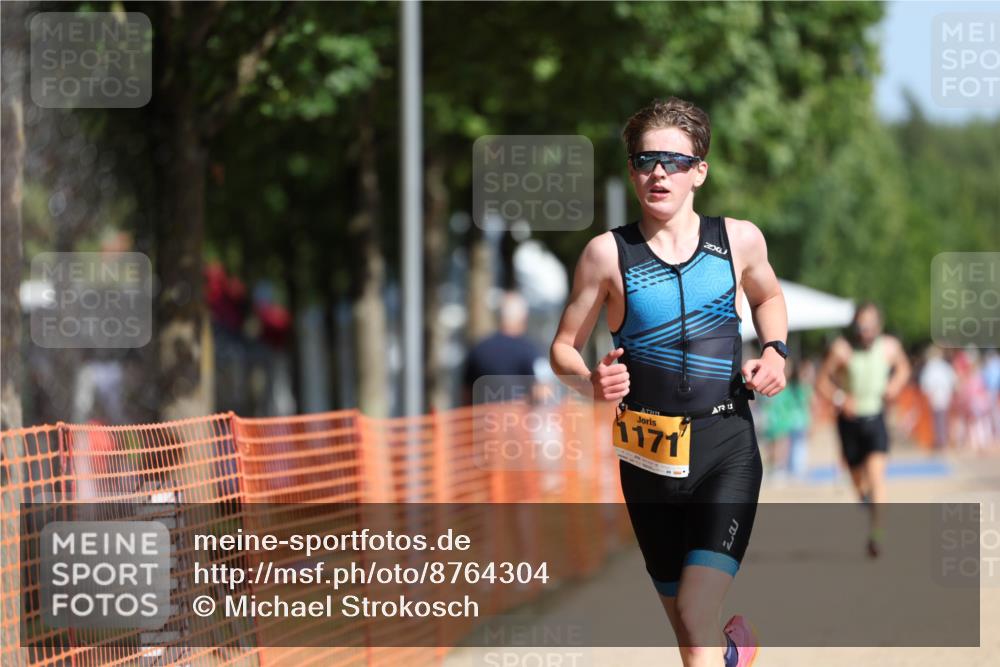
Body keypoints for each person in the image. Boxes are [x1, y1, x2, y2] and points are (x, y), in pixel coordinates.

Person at [550, 97, 788, 667]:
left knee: (694, 613)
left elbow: (768, 297)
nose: (659, 173)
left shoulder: (739, 241)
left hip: (725, 444)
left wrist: (775, 351)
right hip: (647, 457)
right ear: (631, 170)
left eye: (674, 162)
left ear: (698, 171)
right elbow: (562, 349)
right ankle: (734, 653)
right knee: (689, 632)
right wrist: (589, 383)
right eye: (645, 160)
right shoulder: (606, 255)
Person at [816, 302, 911, 557]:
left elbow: (903, 368)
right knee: (859, 483)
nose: (865, 331)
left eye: (870, 326)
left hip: (876, 418)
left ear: (879, 326)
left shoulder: (889, 347)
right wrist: (839, 398)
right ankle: (865, 497)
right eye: (861, 326)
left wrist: (895, 384)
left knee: (877, 476)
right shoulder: (842, 349)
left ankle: (876, 535)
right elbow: (822, 380)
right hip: (849, 423)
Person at [463, 291, 544, 405]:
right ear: (524, 317)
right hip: (518, 414)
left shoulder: (478, 349)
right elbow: (542, 391)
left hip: (483, 414)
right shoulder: (530, 350)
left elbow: (466, 394)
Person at [919, 345, 956, 450]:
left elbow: (926, 382)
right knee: (941, 419)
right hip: (942, 395)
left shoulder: (932, 366)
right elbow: (952, 380)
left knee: (938, 419)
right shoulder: (942, 366)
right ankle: (941, 440)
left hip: (937, 395)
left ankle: (941, 440)